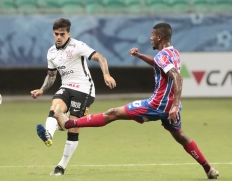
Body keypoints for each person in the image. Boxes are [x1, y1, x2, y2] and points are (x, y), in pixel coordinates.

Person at [54, 22, 219, 179]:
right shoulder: (173, 52)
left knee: (112, 113)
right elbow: (158, 63)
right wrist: (140, 55)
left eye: (152, 35)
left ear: (160, 37)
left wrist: (175, 105)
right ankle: (208, 168)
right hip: (169, 107)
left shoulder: (162, 55)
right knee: (181, 136)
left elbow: (177, 77)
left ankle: (69, 124)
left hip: (157, 105)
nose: (150, 38)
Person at [30, 18, 116, 176]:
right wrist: (42, 90)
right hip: (66, 87)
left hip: (84, 90)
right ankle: (48, 134)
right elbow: (51, 76)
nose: (58, 37)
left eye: (62, 34)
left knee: (73, 125)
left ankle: (61, 166)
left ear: (68, 33)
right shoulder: (51, 52)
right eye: (56, 34)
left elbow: (101, 58)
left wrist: (106, 75)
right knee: (55, 108)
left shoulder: (78, 46)